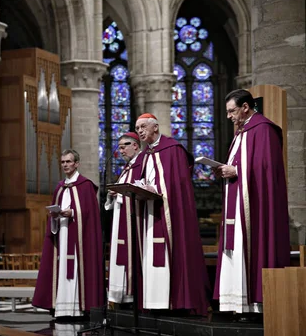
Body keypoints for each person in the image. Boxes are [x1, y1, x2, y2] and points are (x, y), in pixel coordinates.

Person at [213, 89, 290, 313]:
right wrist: (225, 171)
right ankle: (237, 304)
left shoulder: (264, 129)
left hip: (255, 208)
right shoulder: (241, 132)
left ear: (245, 107)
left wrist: (235, 170)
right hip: (236, 205)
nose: (229, 116)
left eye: (232, 111)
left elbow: (267, 169)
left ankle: (254, 305)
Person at [134, 113, 209, 315]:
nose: (139, 131)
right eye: (137, 128)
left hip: (169, 213)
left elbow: (179, 185)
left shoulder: (173, 150)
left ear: (155, 127)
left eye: (142, 127)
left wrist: (157, 190)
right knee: (150, 256)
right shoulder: (144, 155)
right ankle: (154, 302)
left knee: (171, 254)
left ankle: (175, 302)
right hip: (149, 215)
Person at [32, 149, 103, 318]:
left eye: (68, 161)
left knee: (77, 268)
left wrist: (73, 213)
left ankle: (79, 309)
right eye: (63, 162)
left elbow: (90, 214)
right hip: (61, 237)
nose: (65, 165)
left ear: (76, 163)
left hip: (79, 239)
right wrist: (55, 216)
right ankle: (62, 309)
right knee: (61, 268)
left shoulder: (85, 186)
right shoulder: (60, 187)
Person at [105, 132, 142, 305]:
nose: (120, 151)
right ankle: (121, 297)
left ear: (135, 145)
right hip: (121, 218)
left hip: (135, 220)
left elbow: (144, 191)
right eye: (119, 147)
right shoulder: (127, 169)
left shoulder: (142, 165)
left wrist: (120, 193)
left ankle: (131, 296)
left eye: (124, 146)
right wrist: (113, 195)